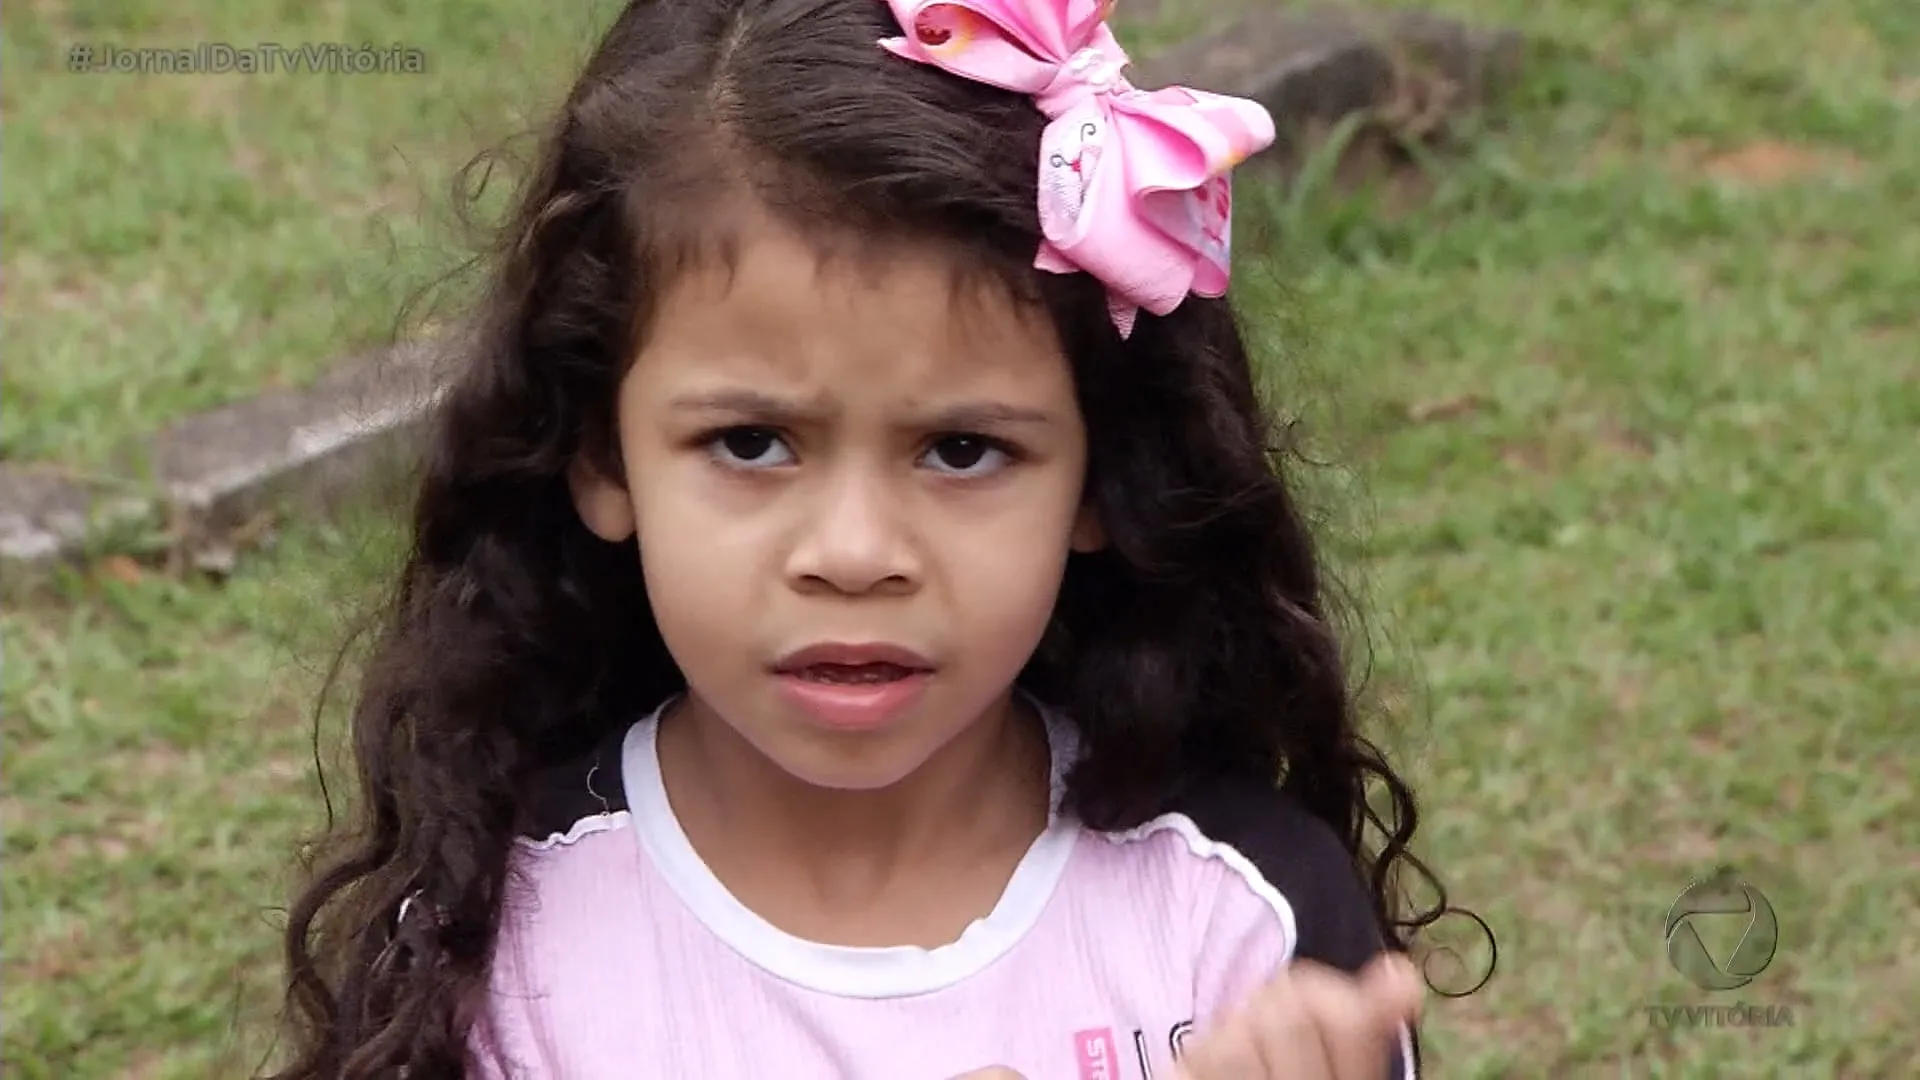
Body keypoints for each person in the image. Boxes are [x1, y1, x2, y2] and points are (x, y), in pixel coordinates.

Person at [269, 0, 1469, 1076]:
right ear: (600, 453)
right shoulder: (505, 937)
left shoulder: (1241, 924)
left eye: (962, 451)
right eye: (750, 442)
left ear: (1102, 477)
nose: (853, 553)